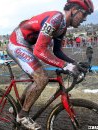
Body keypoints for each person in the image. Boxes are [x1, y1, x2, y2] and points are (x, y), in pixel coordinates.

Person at [6, 0, 94, 129]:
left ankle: (18, 107)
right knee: (41, 78)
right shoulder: (56, 18)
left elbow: (57, 52)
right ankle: (22, 115)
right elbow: (39, 50)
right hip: (17, 43)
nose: (85, 19)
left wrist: (74, 63)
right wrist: (66, 66)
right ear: (74, 10)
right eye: (84, 14)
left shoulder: (62, 27)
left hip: (27, 45)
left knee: (37, 79)